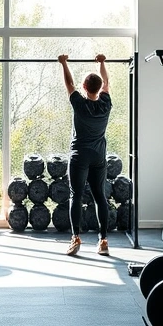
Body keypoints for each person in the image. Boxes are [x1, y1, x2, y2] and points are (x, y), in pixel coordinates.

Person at [59, 53, 112, 256]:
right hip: (98, 157)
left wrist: (64, 63)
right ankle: (104, 241)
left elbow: (69, 82)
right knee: (100, 197)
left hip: (80, 156)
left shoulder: (80, 104)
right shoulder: (105, 103)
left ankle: (75, 238)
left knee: (76, 195)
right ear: (99, 89)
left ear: (84, 86)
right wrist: (102, 63)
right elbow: (106, 81)